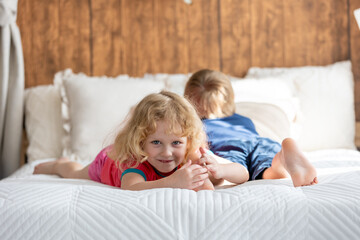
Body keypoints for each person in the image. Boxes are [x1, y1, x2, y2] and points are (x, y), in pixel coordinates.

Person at [33, 91, 245, 191]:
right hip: (108, 163)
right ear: (140, 140)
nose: (167, 153)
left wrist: (221, 171)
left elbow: (242, 174)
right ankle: (57, 164)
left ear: (188, 140)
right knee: (75, 172)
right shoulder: (134, 161)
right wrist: (174, 182)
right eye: (156, 142)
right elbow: (131, 187)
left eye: (176, 143)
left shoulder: (191, 155)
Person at [184, 69, 318, 187]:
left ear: (188, 103)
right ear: (231, 98)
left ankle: (280, 165)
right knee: (267, 165)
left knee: (234, 171)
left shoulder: (198, 125)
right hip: (262, 142)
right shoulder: (243, 120)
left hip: (228, 148)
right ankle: (282, 157)